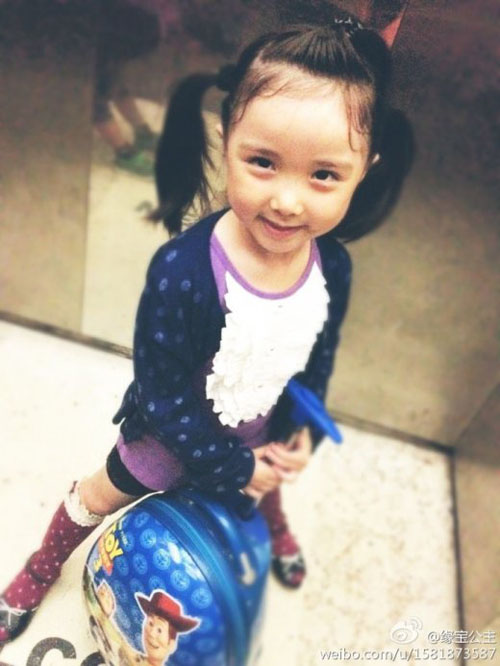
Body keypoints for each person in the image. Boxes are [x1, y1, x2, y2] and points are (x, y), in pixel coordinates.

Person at [0, 17, 414, 646]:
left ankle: (275, 527)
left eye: (324, 175)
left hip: (262, 429)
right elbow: (163, 394)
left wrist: (301, 432)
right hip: (173, 436)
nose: (288, 201)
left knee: (266, 489)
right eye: (263, 162)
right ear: (227, 139)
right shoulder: (186, 270)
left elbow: (317, 355)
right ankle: (38, 568)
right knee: (99, 494)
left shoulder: (333, 265)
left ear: (366, 168)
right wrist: (233, 465)